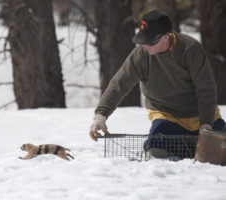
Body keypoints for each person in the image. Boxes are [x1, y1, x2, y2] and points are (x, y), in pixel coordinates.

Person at [89, 10, 226, 157]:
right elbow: (119, 84)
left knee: (218, 155)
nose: (144, 45)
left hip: (202, 115)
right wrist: (100, 116)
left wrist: (206, 125)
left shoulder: (190, 49)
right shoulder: (141, 55)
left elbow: (206, 89)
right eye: (141, 40)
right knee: (157, 153)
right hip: (167, 117)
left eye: (149, 41)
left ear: (166, 37)